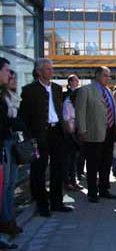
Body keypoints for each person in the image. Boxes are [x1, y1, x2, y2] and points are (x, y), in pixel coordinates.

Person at [20, 59, 73, 216]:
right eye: (48, 69)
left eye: (52, 68)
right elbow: (24, 117)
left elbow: (59, 110)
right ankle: (42, 204)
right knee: (39, 169)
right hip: (39, 134)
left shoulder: (57, 89)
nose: (51, 71)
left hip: (57, 131)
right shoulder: (29, 90)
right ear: (39, 71)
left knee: (58, 168)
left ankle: (57, 202)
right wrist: (29, 137)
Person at [75, 66, 116, 203]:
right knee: (93, 164)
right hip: (93, 133)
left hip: (109, 132)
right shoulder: (85, 90)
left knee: (106, 163)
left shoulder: (109, 91)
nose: (108, 78)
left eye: (109, 76)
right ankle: (92, 192)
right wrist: (82, 130)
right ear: (97, 75)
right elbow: (80, 112)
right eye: (106, 75)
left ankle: (104, 189)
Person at [0, 70, 24, 237]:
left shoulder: (14, 98)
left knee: (11, 184)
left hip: (14, 141)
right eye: (10, 75)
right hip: (6, 142)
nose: (13, 79)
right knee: (6, 184)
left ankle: (10, 219)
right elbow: (7, 121)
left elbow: (18, 121)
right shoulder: (3, 99)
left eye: (15, 77)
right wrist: (15, 123)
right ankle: (5, 221)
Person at [62, 74, 83, 191]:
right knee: (68, 159)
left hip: (75, 132)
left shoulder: (75, 103)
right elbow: (66, 119)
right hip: (69, 134)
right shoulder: (67, 102)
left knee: (74, 159)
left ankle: (73, 180)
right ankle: (68, 182)